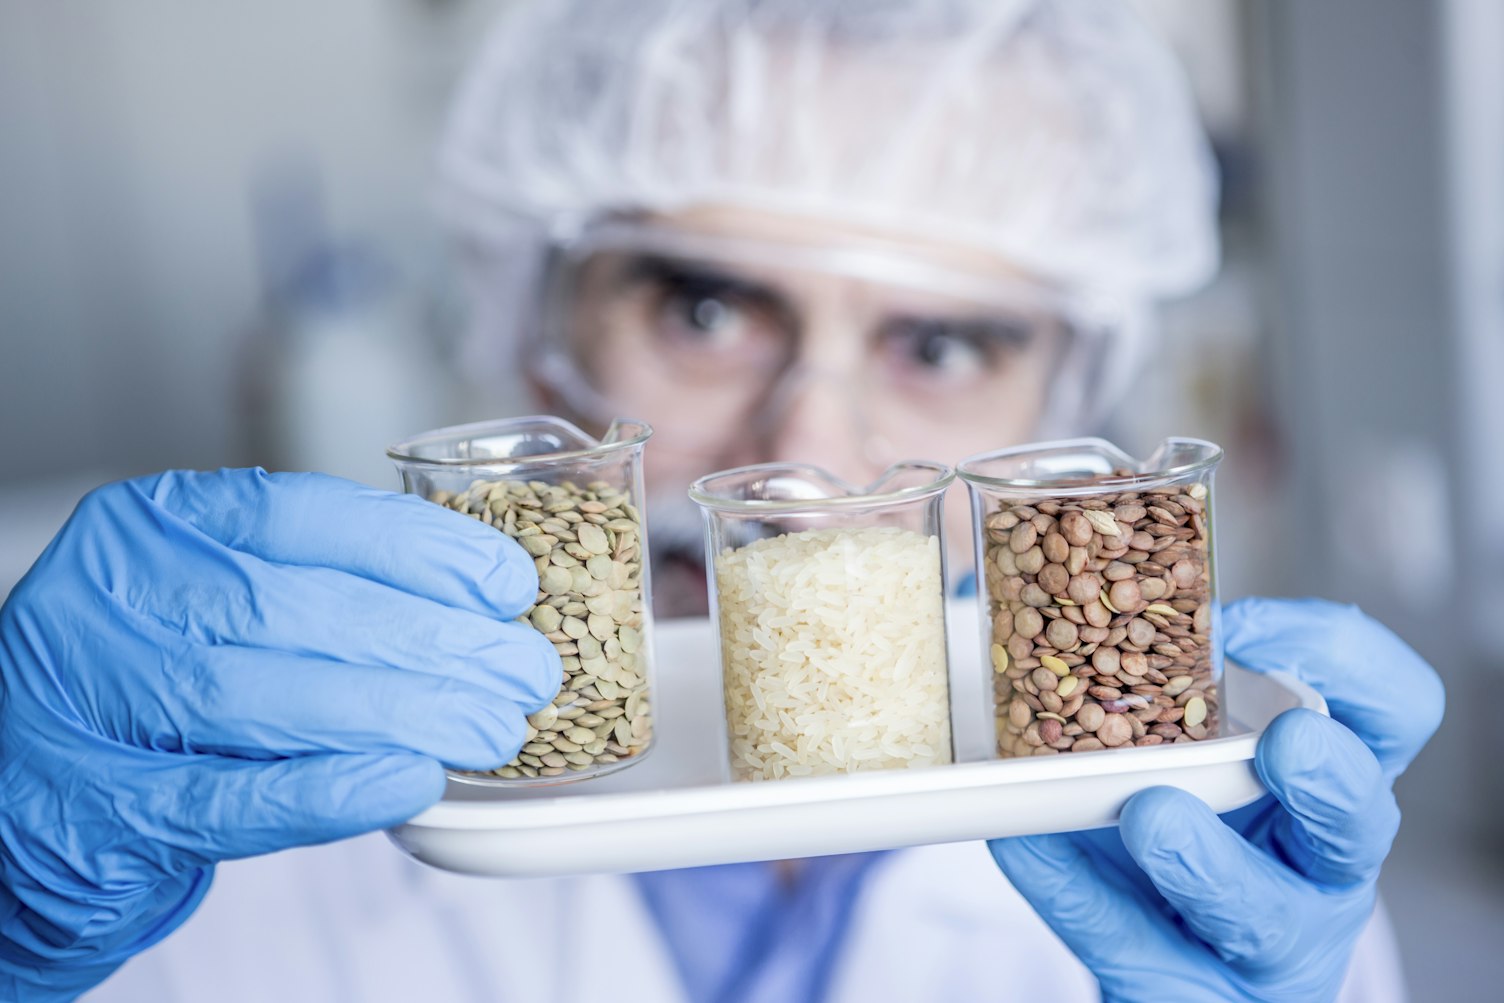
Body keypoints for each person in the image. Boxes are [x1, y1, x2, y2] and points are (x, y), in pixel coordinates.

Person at [0, 2, 1443, 1001]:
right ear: (530, 322)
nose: (809, 458)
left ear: (1067, 407)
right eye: (704, 308)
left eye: (939, 345)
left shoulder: (1224, 858)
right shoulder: (188, 780)